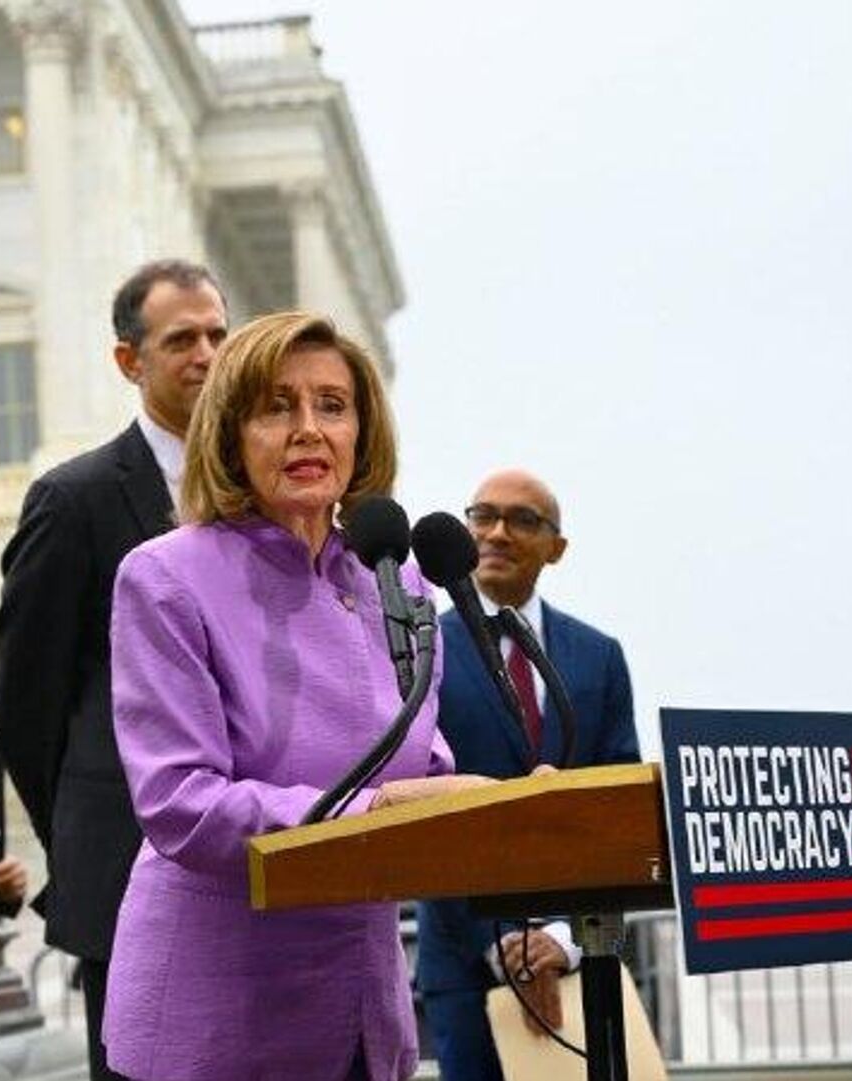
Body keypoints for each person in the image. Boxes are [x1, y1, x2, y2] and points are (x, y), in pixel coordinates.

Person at [104, 310, 483, 1081]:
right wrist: (378, 809)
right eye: (278, 406)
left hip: (360, 1012)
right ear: (230, 432)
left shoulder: (399, 582)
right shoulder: (166, 576)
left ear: (361, 434)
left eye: (332, 406)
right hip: (220, 1014)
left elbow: (423, 761)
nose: (309, 428)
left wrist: (499, 805)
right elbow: (181, 802)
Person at [0, 258, 227, 1080]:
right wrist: (83, 831)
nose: (206, 354)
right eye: (181, 339)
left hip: (254, 873)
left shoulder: (265, 493)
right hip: (126, 875)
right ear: (130, 361)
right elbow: (25, 701)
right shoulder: (75, 499)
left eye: (217, 334)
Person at [414, 468, 639, 1081]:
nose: (497, 533)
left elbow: (618, 808)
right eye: (483, 516)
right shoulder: (423, 652)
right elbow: (417, 815)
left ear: (556, 547)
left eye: (522, 520)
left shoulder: (598, 656)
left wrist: (560, 942)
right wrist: (503, 946)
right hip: (465, 965)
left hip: (579, 963)